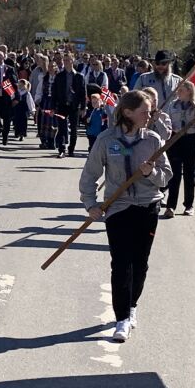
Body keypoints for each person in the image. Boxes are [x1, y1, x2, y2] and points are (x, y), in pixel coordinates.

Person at [79, 90, 173, 342]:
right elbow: (90, 175)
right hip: (118, 208)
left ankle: (132, 306)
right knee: (121, 264)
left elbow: (166, 177)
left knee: (140, 263)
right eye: (144, 111)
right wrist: (91, 204)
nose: (149, 115)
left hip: (147, 208)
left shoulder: (152, 140)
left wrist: (150, 173)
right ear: (128, 112)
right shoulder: (106, 139)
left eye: (150, 111)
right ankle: (121, 318)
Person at [163, 81, 195, 218]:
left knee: (189, 175)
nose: (178, 92)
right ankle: (170, 206)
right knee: (174, 175)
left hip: (190, 140)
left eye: (181, 90)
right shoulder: (173, 105)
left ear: (189, 91)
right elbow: (168, 124)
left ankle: (189, 205)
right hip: (175, 141)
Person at [52, 53, 86, 158]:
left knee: (74, 129)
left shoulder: (79, 76)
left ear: (72, 61)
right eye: (64, 60)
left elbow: (83, 93)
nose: (66, 62)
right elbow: (54, 92)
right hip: (62, 105)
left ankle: (71, 149)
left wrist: (84, 107)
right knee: (62, 128)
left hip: (74, 106)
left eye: (68, 60)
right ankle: (61, 150)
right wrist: (53, 107)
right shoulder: (59, 76)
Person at [0, 50, 19, 148]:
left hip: (5, 98)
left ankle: (5, 136)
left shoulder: (9, 69)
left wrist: (16, 98)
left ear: (3, 58)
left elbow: (15, 83)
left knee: (6, 119)